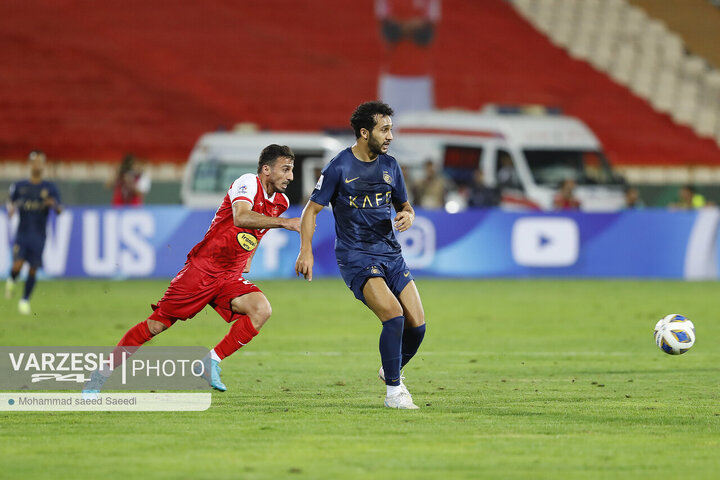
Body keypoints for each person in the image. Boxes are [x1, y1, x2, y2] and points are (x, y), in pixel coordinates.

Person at [83, 145, 300, 395]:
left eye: (291, 170)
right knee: (156, 325)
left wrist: (248, 257)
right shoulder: (248, 182)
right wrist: (285, 223)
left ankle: (211, 361)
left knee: (261, 310)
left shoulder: (280, 202)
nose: (290, 176)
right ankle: (101, 375)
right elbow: (241, 217)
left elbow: (258, 231)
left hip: (229, 276)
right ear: (266, 169)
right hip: (203, 269)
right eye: (285, 169)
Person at [295, 101, 426, 410]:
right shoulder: (339, 167)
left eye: (391, 129)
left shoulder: (391, 166)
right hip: (356, 256)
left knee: (417, 327)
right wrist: (306, 250)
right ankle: (394, 393)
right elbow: (310, 211)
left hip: (391, 255)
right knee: (393, 317)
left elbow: (404, 206)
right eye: (385, 129)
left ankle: (389, 370)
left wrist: (409, 215)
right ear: (365, 132)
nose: (390, 136)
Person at [5, 150, 63, 315]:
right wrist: (10, 210)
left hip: (39, 235)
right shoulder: (20, 186)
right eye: (34, 162)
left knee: (33, 268)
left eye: (40, 162)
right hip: (22, 233)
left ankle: (24, 300)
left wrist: (53, 205)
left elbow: (60, 209)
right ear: (30, 164)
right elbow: (10, 203)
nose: (37, 165)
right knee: (18, 264)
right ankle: (12, 278)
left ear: (43, 165)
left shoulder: (50, 188)